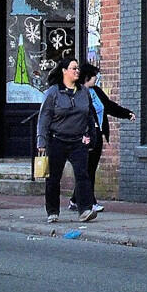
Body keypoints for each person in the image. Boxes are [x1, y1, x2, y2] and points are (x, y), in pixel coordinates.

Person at [36, 57, 100, 224]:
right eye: (73, 68)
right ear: (64, 71)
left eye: (77, 68)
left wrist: (91, 137)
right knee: (53, 177)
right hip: (57, 140)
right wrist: (41, 141)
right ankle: (52, 211)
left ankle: (85, 209)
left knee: (82, 175)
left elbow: (89, 115)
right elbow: (44, 118)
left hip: (78, 141)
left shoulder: (83, 92)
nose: (77, 71)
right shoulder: (53, 93)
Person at [80, 60, 132, 204]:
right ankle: (90, 202)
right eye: (94, 76)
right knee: (87, 169)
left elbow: (109, 106)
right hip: (85, 136)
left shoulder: (96, 91)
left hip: (98, 134)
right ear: (86, 77)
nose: (96, 78)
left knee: (91, 168)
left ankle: (75, 199)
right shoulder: (78, 93)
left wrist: (127, 114)